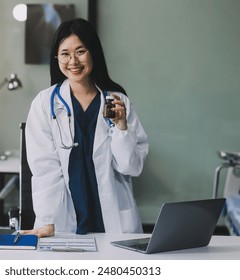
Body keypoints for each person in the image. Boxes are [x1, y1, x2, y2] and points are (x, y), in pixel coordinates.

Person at [23, 18, 149, 238]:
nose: (73, 61)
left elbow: (131, 167)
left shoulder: (118, 101)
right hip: (65, 217)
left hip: (112, 217)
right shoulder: (44, 104)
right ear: (57, 58)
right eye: (65, 53)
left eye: (80, 51)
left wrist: (121, 128)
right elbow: (44, 169)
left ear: (93, 53)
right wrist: (48, 219)